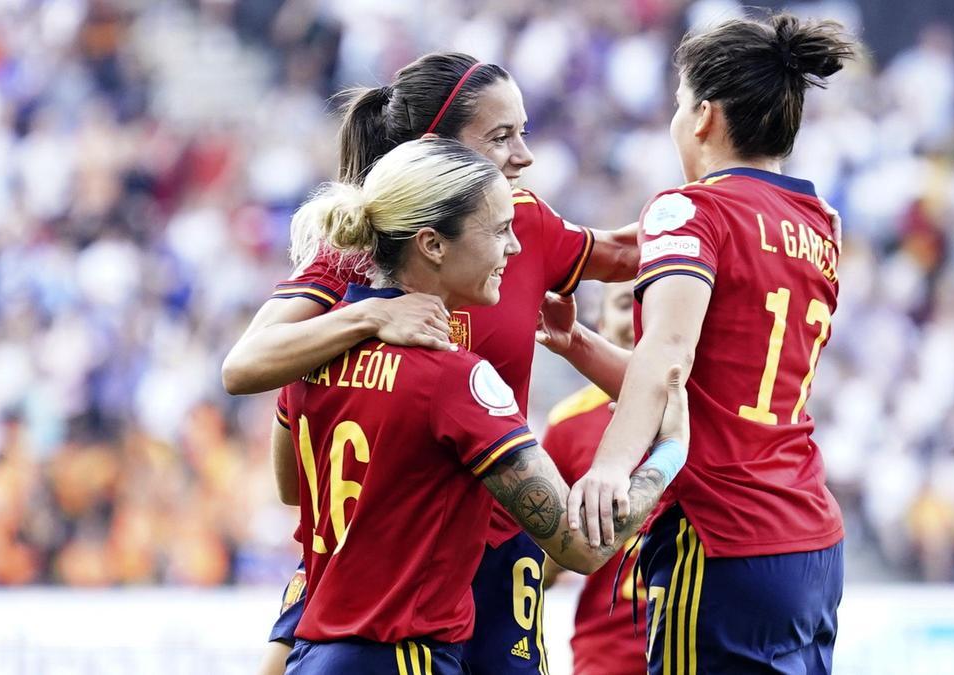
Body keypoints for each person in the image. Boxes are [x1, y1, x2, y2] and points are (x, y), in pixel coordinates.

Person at [227, 52, 641, 675]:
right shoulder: (359, 249)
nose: (525, 156)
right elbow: (243, 368)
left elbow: (632, 249)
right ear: (433, 157)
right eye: (501, 137)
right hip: (379, 565)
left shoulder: (520, 225)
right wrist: (369, 317)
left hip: (499, 548)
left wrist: (737, 207)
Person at [278, 138, 687, 674]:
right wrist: (670, 450)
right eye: (498, 231)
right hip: (405, 658)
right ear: (432, 244)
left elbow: (293, 489)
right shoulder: (453, 378)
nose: (514, 250)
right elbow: (580, 548)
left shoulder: (310, 353)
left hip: (313, 656)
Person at [537, 14, 856, 674]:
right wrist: (579, 343)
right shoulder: (821, 224)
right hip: (810, 543)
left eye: (680, 106)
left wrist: (610, 464)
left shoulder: (690, 209)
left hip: (720, 535)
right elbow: (709, 383)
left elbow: (670, 354)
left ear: (705, 116)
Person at [542, 283, 648, 675]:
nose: (640, 316)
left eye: (653, 303)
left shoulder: (715, 412)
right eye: (626, 305)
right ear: (600, 325)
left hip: (708, 649)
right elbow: (538, 561)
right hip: (609, 657)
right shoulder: (567, 424)